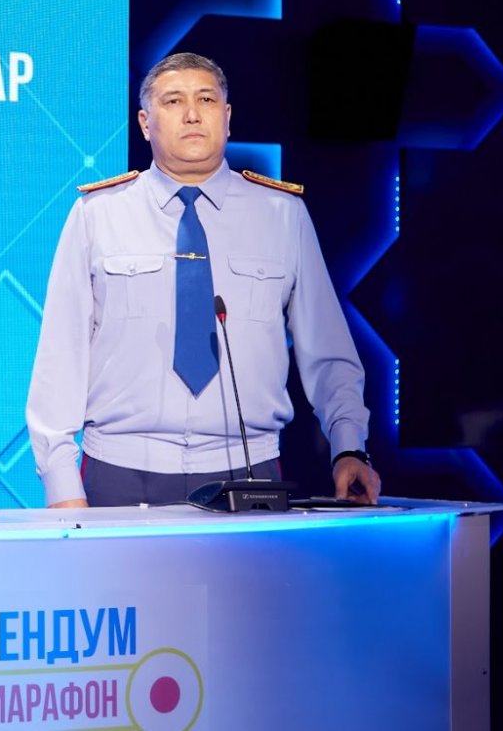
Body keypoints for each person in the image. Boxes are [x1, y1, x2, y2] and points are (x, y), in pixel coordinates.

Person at [26, 52, 380, 508]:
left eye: (206, 99)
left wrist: (349, 447)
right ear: (145, 123)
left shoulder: (282, 214)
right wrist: (60, 482)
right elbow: (61, 354)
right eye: (173, 101)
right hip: (120, 470)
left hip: (249, 467)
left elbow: (328, 351)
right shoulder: (99, 214)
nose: (192, 114)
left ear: (227, 117)